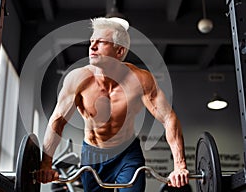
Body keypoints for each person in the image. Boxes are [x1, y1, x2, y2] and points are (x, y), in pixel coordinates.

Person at [36, 17, 189, 191]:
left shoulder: (140, 79)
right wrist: (46, 165)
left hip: (127, 154)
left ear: (119, 51)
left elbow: (168, 118)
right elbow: (58, 120)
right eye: (91, 42)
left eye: (101, 42)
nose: (92, 47)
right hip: (92, 155)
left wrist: (180, 165)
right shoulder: (77, 80)